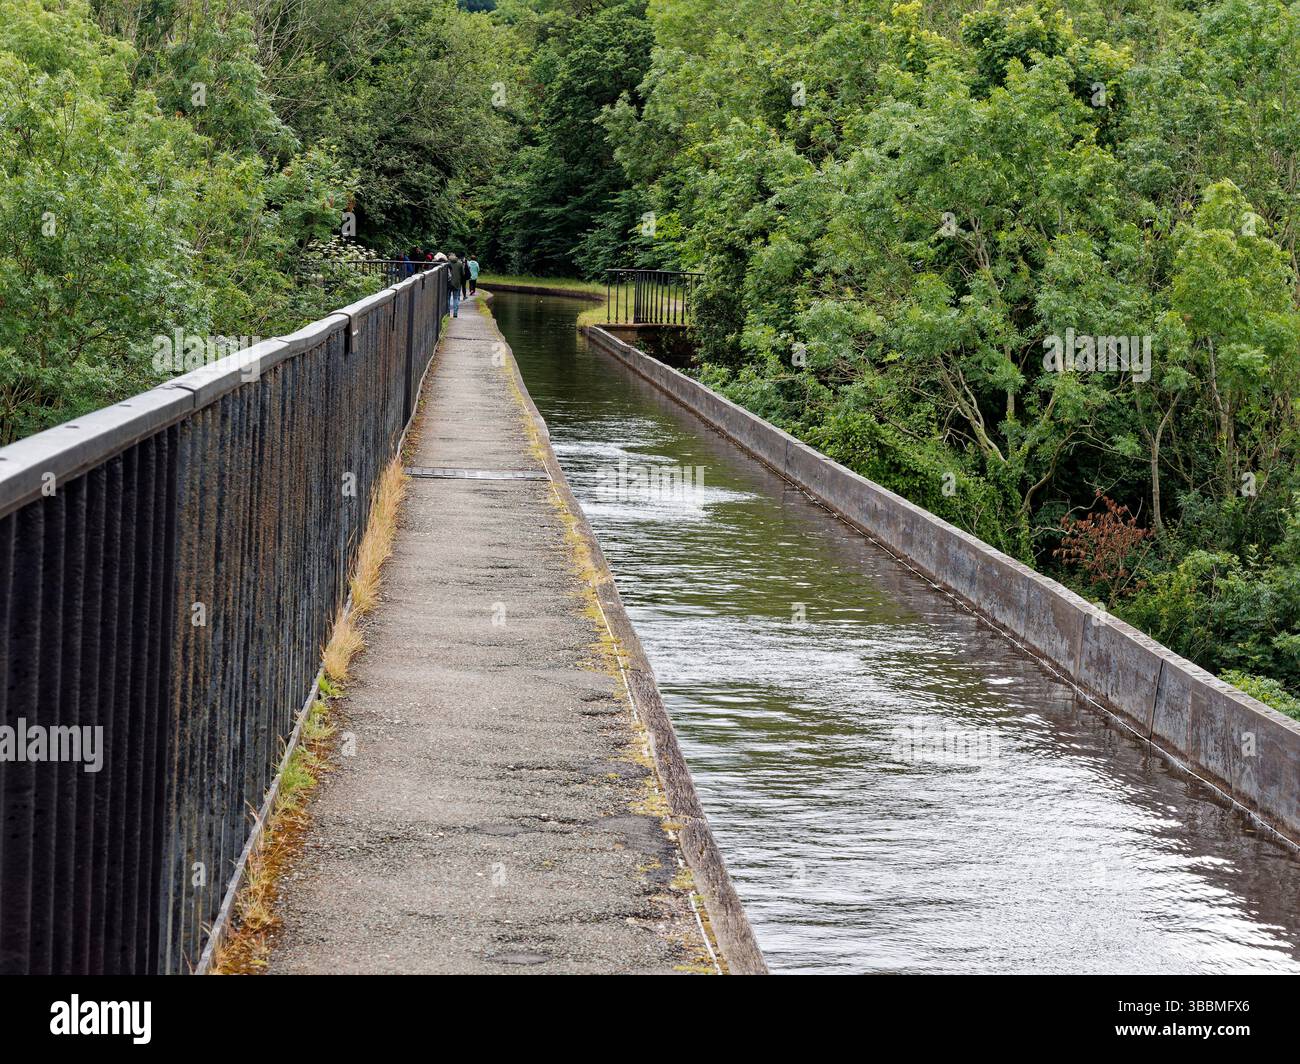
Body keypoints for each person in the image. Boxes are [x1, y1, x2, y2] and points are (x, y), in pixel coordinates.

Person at [446, 253, 465, 317]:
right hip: (457, 283)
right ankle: (455, 313)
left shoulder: (447, 264)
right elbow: (463, 274)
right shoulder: (460, 264)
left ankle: (448, 313)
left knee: (448, 298)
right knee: (455, 298)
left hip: (448, 283)